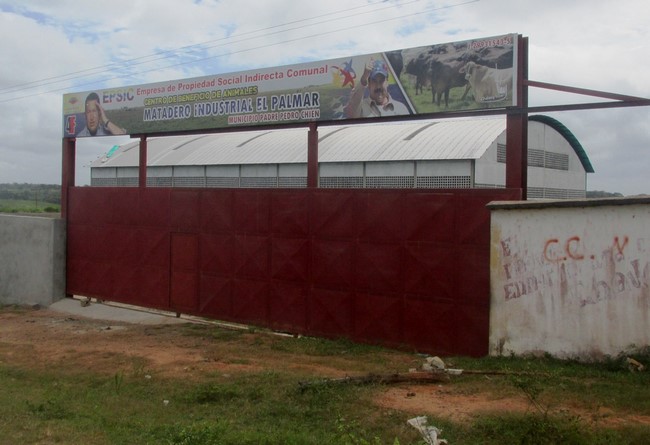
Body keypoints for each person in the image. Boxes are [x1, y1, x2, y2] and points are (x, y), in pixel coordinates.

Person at [344, 59, 410, 118]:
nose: (378, 86)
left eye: (381, 81)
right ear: (369, 84)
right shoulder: (361, 108)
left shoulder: (401, 108)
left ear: (387, 83)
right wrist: (364, 78)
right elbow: (353, 107)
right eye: (374, 81)